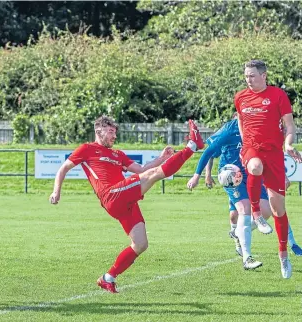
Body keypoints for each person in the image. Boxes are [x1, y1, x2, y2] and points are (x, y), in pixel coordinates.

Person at [49, 115, 205, 293]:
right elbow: (63, 168)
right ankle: (192, 146)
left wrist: (161, 158)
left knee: (140, 244)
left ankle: (108, 278)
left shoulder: (118, 154)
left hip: (124, 200)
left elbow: (142, 169)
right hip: (111, 196)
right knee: (153, 176)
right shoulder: (86, 149)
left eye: (115, 133)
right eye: (110, 132)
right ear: (98, 131)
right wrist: (56, 191)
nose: (114, 136)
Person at [187, 117, 302, 270]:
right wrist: (197, 176)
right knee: (244, 211)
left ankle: (237, 233)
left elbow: (271, 152)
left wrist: (283, 175)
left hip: (252, 174)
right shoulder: (230, 129)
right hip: (232, 176)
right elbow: (209, 151)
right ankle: (247, 258)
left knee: (267, 210)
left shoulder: (259, 128)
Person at [235, 59, 302, 279]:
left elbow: (290, 126)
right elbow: (241, 122)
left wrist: (289, 143)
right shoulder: (240, 97)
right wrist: (245, 145)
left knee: (279, 210)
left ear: (264, 75)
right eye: (246, 76)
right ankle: (256, 214)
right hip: (252, 150)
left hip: (273, 155)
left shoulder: (278, 96)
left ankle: (283, 255)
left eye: (252, 76)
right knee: (254, 166)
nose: (248, 80)